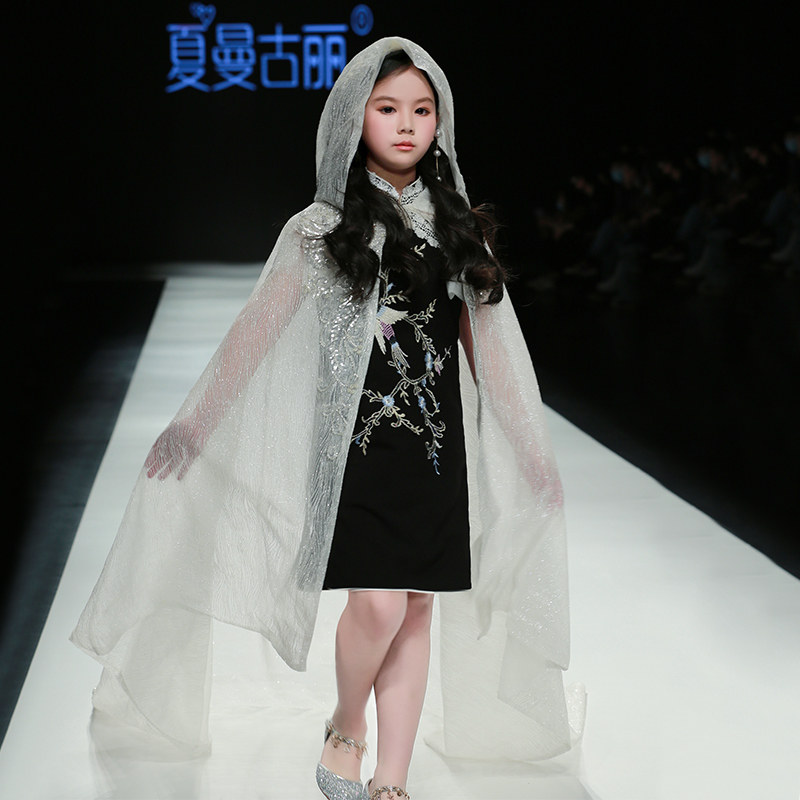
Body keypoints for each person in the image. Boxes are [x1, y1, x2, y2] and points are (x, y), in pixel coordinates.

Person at [71, 37, 578, 800]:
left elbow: (489, 354)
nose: (406, 125)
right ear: (353, 119)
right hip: (354, 451)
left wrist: (530, 450)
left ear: (440, 123)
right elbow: (257, 331)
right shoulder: (320, 228)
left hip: (436, 453)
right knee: (376, 602)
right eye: (387, 109)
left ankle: (391, 781)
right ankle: (347, 726)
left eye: (422, 111)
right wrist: (196, 423)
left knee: (415, 609)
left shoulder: (457, 229)